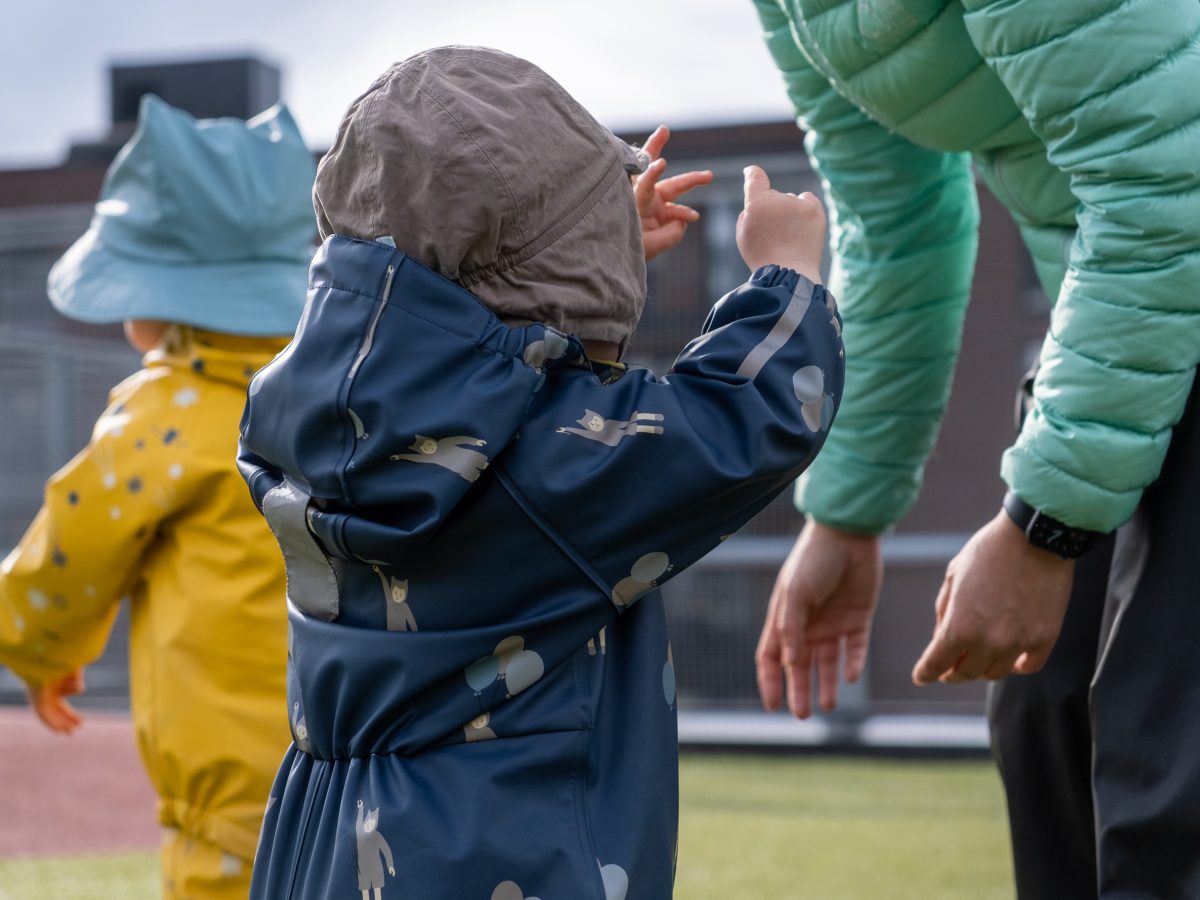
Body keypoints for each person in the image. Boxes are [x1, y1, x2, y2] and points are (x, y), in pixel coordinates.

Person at [239, 46, 844, 899]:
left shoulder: (310, 427)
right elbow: (752, 415)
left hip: (329, 839)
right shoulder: (544, 471)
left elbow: (485, 361)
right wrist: (788, 275)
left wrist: (592, 261)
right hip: (496, 850)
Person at [749, 1, 1200, 896]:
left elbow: (1164, 181)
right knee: (1044, 720)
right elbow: (894, 222)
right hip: (1119, 310)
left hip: (1166, 255)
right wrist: (846, 514)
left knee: (1166, 783)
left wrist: (1045, 526)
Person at [0, 95, 317, 898]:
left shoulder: (163, 416)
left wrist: (38, 651)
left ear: (157, 298)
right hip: (357, 770)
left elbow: (72, 545)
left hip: (227, 795)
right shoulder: (336, 398)